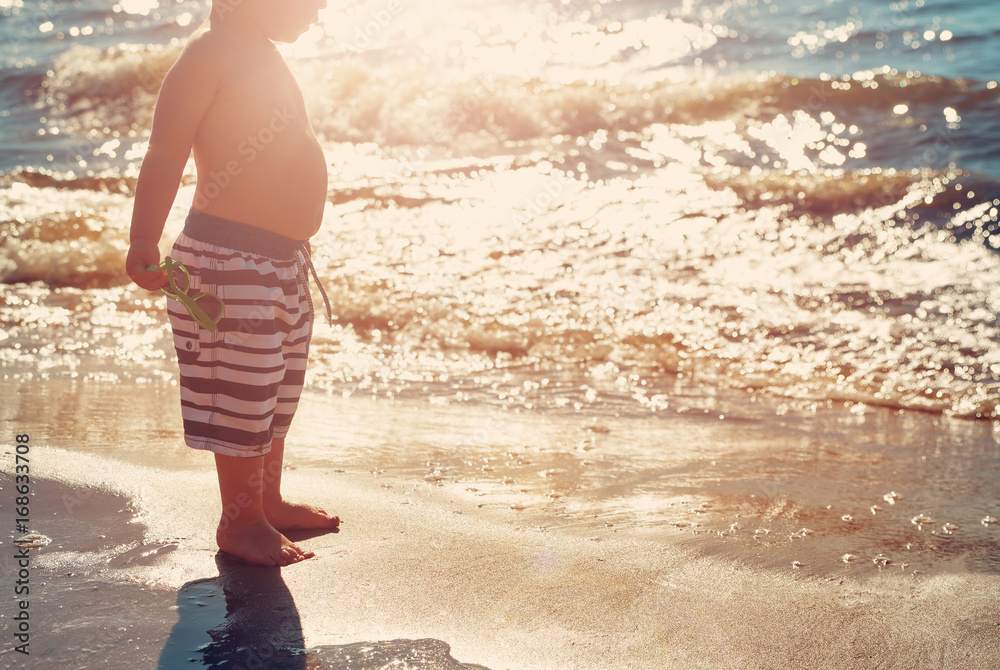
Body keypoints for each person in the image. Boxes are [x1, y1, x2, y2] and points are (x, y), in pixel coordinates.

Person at [126, 0, 338, 567]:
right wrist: (144, 239)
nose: (320, 6)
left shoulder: (264, 55)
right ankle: (239, 520)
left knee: (272, 392)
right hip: (226, 262)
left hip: (281, 262)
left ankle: (264, 499)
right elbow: (165, 152)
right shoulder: (208, 57)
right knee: (239, 395)